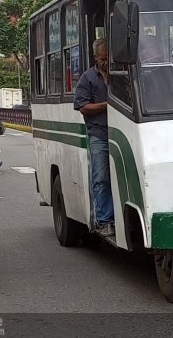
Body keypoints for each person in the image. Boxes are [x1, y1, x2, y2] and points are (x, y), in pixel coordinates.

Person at [74, 38, 114, 237]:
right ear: (95, 58)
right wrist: (108, 104)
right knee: (101, 178)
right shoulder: (87, 78)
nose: (105, 62)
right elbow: (83, 107)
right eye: (102, 59)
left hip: (123, 132)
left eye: (108, 58)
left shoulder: (122, 75)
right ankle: (104, 220)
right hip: (99, 134)